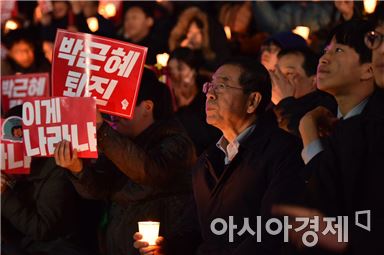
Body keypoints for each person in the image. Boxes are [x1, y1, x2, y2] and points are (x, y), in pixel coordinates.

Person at [134, 57, 305, 255]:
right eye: (209, 86)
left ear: (252, 101)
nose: (210, 95)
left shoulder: (282, 151)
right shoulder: (207, 160)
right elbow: (195, 229)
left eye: (222, 86)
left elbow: (273, 232)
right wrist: (166, 247)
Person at [54, 69, 196, 255]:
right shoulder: (118, 144)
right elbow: (99, 189)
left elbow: (148, 172)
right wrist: (77, 169)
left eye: (121, 107)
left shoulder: (176, 142)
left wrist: (102, 130)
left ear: (147, 107)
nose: (113, 115)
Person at [275, 18, 384, 254]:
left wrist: (310, 136)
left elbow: (330, 209)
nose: (324, 58)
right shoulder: (332, 122)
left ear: (369, 69)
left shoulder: (376, 129)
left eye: (338, 51)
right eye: (325, 50)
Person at [1, 106, 92, 255]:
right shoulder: (11, 169)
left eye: (20, 136)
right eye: (8, 138)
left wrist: (4, 195)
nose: (11, 144)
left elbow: (43, 230)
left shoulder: (54, 168)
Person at [271, 47, 337, 137]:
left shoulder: (325, 107)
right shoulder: (270, 107)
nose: (281, 80)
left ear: (314, 80)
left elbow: (303, 140)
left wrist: (285, 103)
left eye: (289, 73)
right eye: (278, 74)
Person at [168, 47, 220, 155]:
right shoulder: (168, 95)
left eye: (180, 68)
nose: (175, 75)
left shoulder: (208, 94)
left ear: (193, 70)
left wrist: (183, 106)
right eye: (170, 70)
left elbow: (205, 135)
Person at [169, 7, 231, 74]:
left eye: (197, 33)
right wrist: (183, 50)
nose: (193, 37)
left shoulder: (214, 48)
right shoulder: (184, 45)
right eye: (190, 32)